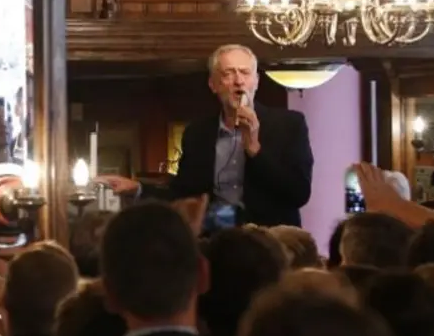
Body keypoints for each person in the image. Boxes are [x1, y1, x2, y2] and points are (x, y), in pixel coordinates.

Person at [96, 44, 314, 227]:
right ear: (213, 84)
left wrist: (255, 149)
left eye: (245, 73)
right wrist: (138, 188)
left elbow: (299, 193)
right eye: (229, 73)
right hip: (215, 242)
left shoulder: (290, 125)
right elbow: (183, 193)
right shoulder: (197, 133)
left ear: (256, 81)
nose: (239, 81)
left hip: (271, 245)